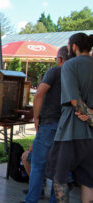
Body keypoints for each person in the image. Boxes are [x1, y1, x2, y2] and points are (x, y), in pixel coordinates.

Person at [45, 33, 93, 203]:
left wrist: (90, 117)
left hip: (69, 132)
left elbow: (74, 100)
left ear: (73, 47)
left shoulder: (70, 65)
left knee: (60, 178)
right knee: (89, 182)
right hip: (90, 137)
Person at [22, 46, 69, 203]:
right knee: (60, 169)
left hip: (49, 124)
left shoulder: (55, 71)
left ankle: (32, 199)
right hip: (67, 128)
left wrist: (36, 118)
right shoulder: (75, 74)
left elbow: (40, 93)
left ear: (60, 59)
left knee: (37, 165)